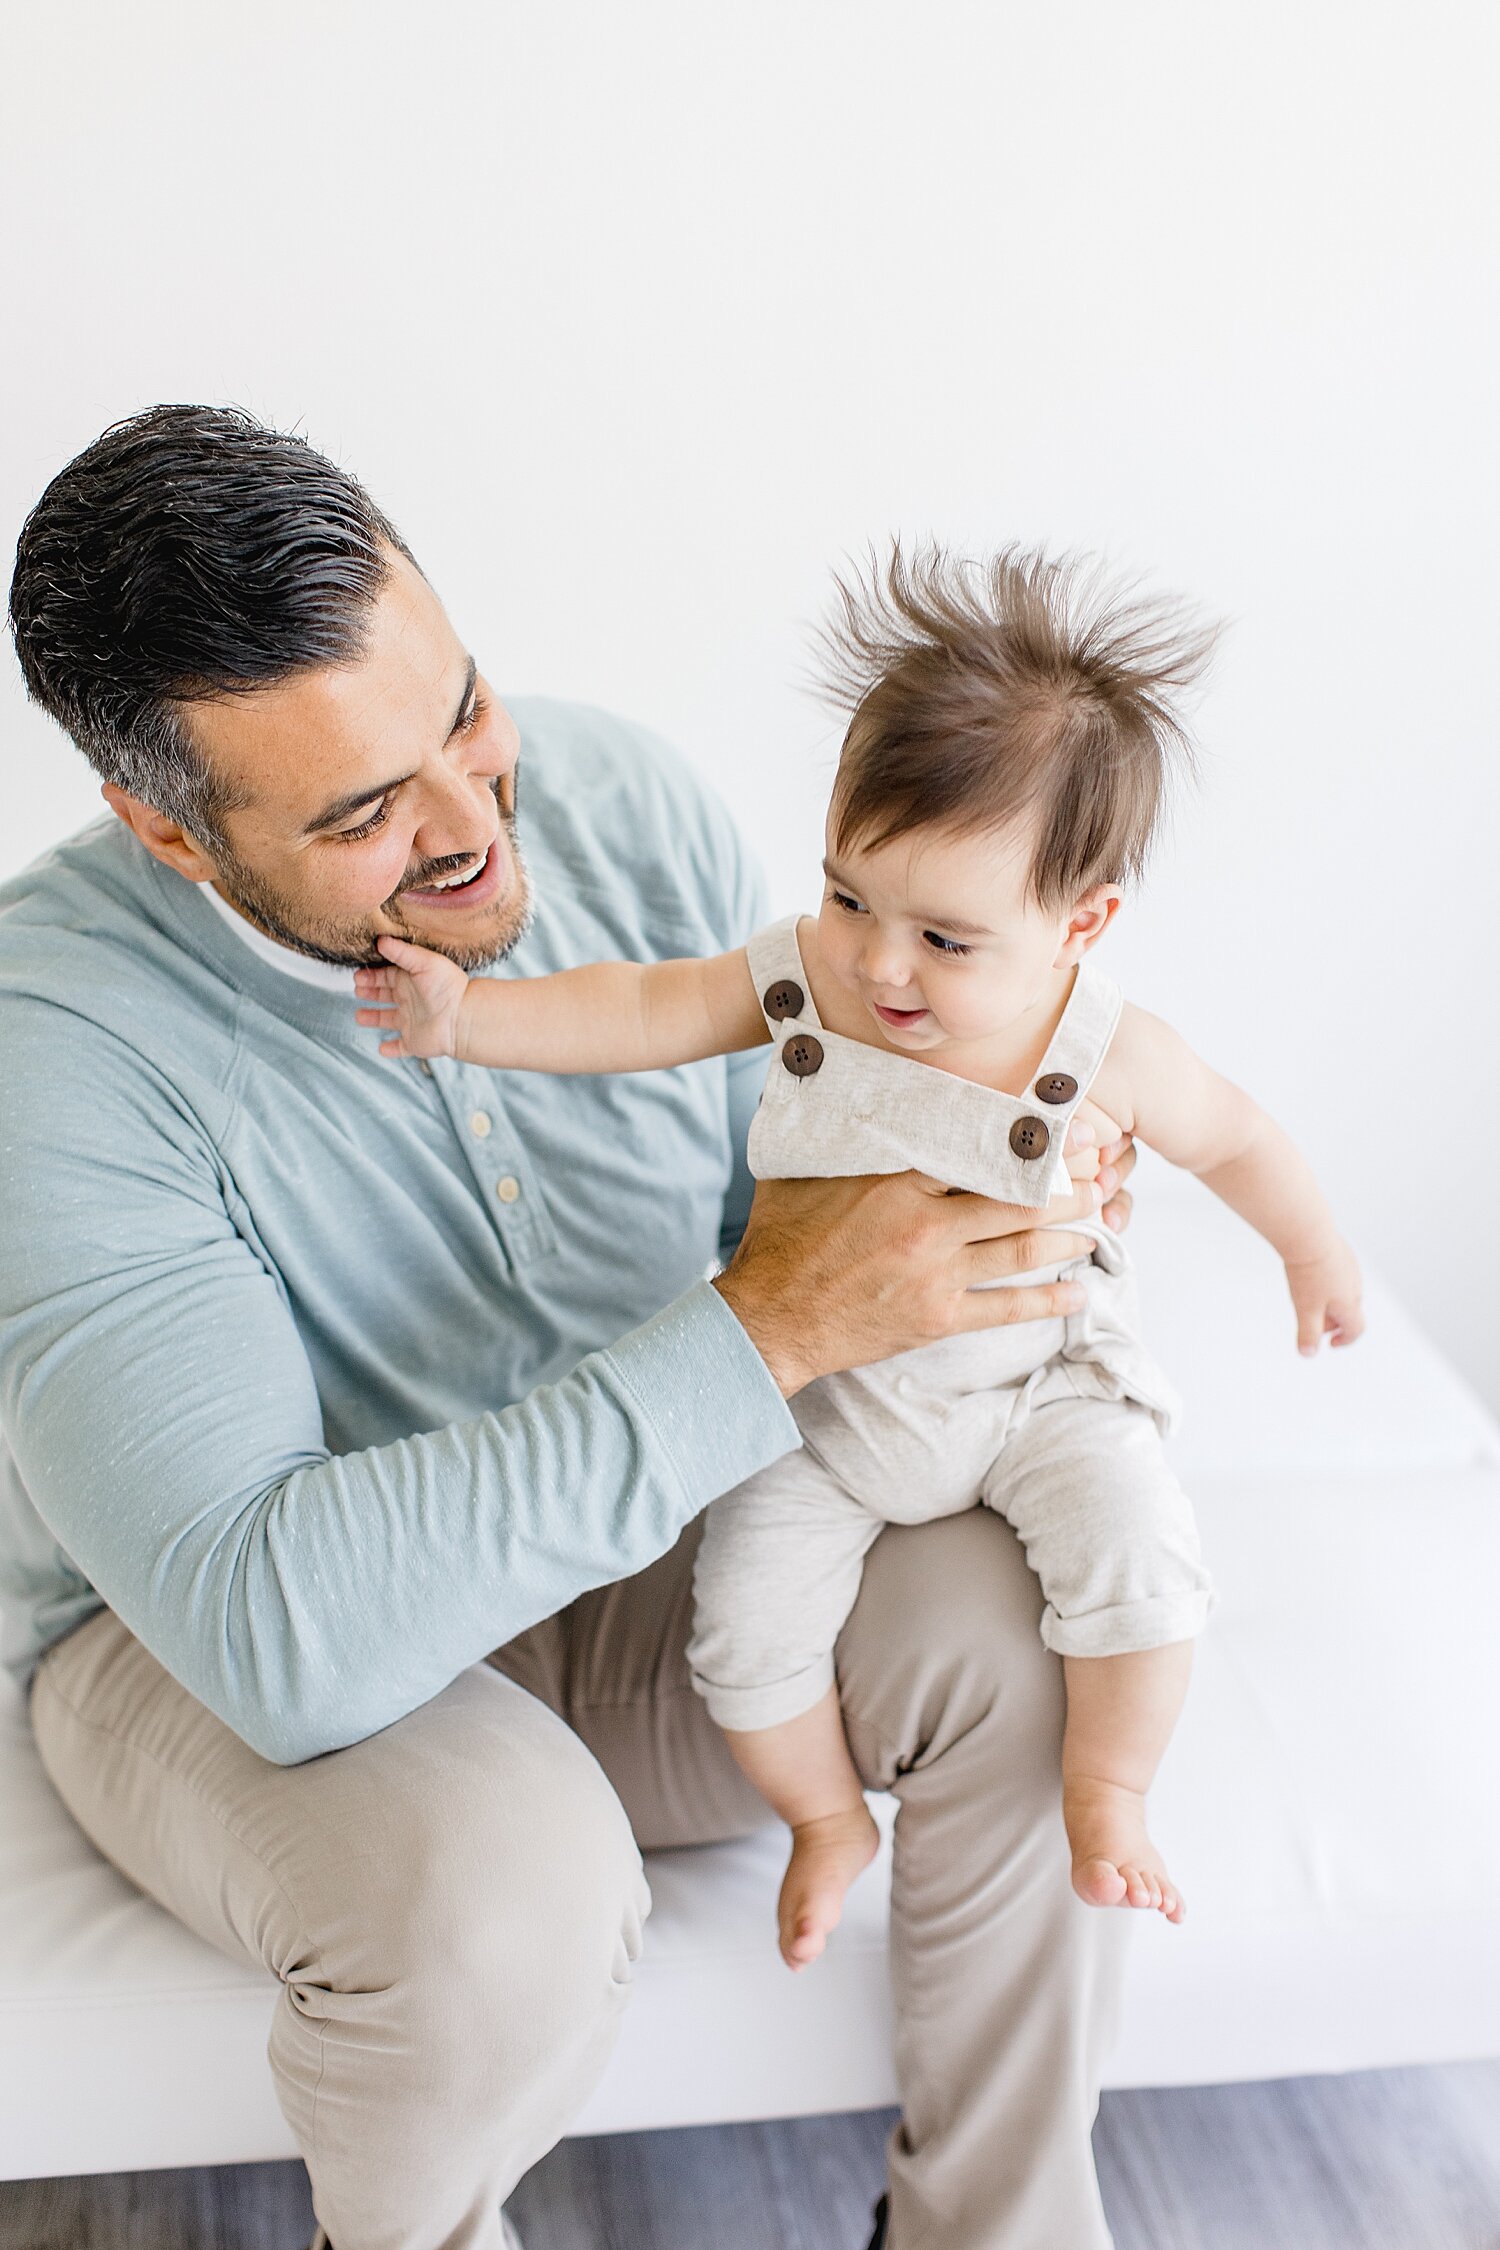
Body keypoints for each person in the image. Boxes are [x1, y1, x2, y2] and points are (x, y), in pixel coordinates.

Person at [3, 406, 1134, 2250]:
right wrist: (767, 1327)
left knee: (1029, 1612)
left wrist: (998, 1192)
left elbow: (806, 1218)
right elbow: (273, 1631)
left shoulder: (621, 803)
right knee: (497, 1886)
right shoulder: (52, 1048)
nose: (472, 824)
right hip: (208, 1641)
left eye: (459, 710)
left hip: (632, 1552)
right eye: (366, 814)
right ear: (167, 831)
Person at [352, 542, 1365, 1968]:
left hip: (1039, 1388)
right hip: (823, 1409)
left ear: (1080, 924)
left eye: (946, 938)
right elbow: (639, 1010)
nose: (881, 967)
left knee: (1140, 1557)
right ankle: (828, 1818)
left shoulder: (1105, 1050)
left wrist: (1313, 1257)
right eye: (849, 897)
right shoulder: (811, 979)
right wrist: (469, 1022)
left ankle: (1111, 1791)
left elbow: (1241, 1138)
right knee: (743, 1638)